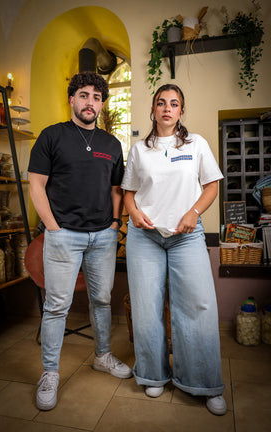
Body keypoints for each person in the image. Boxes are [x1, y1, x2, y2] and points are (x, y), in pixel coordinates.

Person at [28, 71, 132, 411]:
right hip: (64, 235)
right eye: (84, 95)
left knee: (101, 300)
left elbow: (117, 188)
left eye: (97, 97)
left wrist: (115, 222)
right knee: (57, 305)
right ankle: (50, 373)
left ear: (102, 104)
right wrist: (53, 228)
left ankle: (101, 355)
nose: (90, 102)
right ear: (72, 99)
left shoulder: (111, 144)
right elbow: (36, 185)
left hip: (103, 234)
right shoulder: (51, 136)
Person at [121, 83, 227, 416]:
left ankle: (205, 383)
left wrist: (193, 213)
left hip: (187, 236)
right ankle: (153, 374)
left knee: (197, 306)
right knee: (146, 307)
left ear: (181, 111)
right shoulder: (139, 150)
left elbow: (211, 185)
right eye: (161, 103)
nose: (167, 108)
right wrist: (134, 213)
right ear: (153, 110)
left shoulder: (196, 144)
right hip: (145, 238)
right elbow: (128, 192)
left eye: (174, 103)